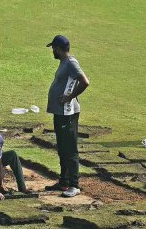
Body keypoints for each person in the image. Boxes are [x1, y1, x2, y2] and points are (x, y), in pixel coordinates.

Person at [44, 35, 90, 198]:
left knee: (70, 149)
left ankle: (74, 185)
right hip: (60, 112)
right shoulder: (64, 63)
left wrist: (69, 97)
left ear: (57, 48)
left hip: (68, 113)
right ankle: (63, 182)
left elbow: (85, 81)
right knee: (62, 148)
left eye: (53, 49)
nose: (52, 52)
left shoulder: (71, 62)